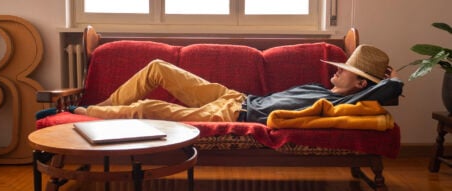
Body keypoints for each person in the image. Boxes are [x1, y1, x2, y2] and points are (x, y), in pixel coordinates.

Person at [72, 44, 403, 124]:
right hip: (235, 97)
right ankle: (97, 112)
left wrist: (380, 80)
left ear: (360, 82)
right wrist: (368, 79)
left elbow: (390, 90)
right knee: (158, 67)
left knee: (146, 108)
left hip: (235, 116)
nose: (337, 70)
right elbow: (372, 86)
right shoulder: (323, 91)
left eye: (345, 69)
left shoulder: (339, 105)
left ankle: (85, 116)